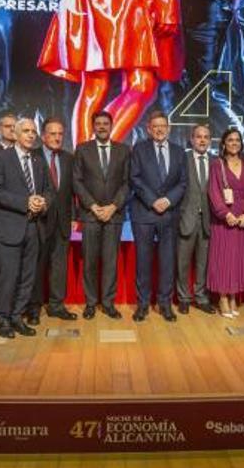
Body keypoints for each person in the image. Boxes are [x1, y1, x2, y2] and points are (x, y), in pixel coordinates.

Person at [38, 0, 183, 143]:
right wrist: (166, 3)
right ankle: (98, 154)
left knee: (95, 86)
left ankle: (85, 159)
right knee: (140, 85)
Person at [0, 118, 53, 339]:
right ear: (14, 135)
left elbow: (49, 191)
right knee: (8, 277)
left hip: (34, 228)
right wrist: (25, 202)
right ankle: (3, 319)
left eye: (33, 131)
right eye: (26, 131)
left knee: (28, 277)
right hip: (9, 228)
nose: (31, 135)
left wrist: (43, 202)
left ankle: (17, 316)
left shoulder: (38, 160)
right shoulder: (0, 158)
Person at [129, 111, 187, 322]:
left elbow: (183, 183)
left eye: (163, 126)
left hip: (169, 214)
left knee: (167, 262)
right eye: (156, 126)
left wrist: (168, 201)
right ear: (149, 128)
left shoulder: (179, 151)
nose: (160, 129)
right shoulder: (139, 149)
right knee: (143, 262)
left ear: (169, 128)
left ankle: (165, 304)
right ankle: (142, 305)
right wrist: (153, 201)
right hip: (144, 213)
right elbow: (134, 178)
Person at [72, 110, 131, 319]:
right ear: (93, 126)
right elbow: (76, 181)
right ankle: (90, 303)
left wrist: (114, 206)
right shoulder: (82, 150)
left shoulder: (124, 150)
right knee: (89, 261)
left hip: (113, 215)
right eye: (98, 124)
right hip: (90, 215)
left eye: (106, 123)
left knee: (110, 262)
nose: (102, 127)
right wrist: (93, 206)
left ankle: (107, 303)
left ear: (111, 125)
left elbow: (127, 182)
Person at [207, 128, 244, 318]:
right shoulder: (216, 164)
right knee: (223, 260)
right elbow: (213, 192)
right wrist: (225, 214)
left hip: (243, 221)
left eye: (237, 140)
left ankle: (233, 297)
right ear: (223, 144)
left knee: (237, 260)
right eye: (230, 140)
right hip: (224, 221)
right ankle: (222, 298)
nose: (234, 143)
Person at [31, 117, 76, 322]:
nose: (57, 138)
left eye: (60, 134)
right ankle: (34, 309)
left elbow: (72, 191)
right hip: (39, 222)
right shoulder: (33, 156)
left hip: (63, 223)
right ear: (43, 136)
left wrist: (74, 217)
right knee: (37, 266)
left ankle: (57, 305)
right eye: (52, 133)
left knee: (59, 267)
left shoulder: (69, 158)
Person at [176, 124, 215, 315]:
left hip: (208, 221)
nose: (202, 140)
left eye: (206, 137)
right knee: (183, 262)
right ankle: (183, 298)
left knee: (203, 263)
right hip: (186, 219)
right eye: (198, 137)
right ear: (192, 139)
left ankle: (200, 297)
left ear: (210, 140)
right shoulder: (182, 159)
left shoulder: (217, 162)